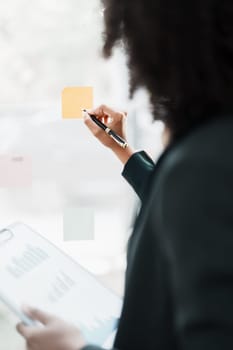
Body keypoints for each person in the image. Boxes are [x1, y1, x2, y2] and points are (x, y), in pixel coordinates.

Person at [17, 0, 233, 349]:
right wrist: (124, 151)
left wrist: (76, 348)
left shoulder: (204, 165)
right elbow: (180, 217)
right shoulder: (214, 144)